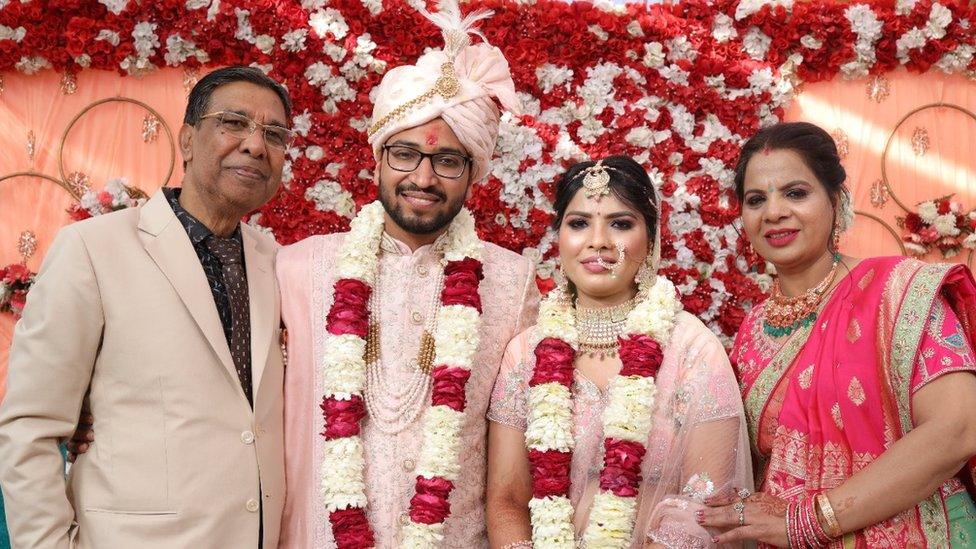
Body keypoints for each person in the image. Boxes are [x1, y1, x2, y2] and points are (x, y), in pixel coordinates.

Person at [274, 2, 539, 546]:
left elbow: (530, 434)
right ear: (376, 159)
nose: (423, 177)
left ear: (473, 174)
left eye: (447, 161)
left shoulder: (512, 284)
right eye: (404, 154)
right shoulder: (299, 267)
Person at [0, 66, 291, 548]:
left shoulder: (278, 263)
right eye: (233, 122)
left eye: (274, 134)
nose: (256, 145)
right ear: (188, 139)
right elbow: (30, 426)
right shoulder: (93, 249)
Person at [700, 121, 976, 547]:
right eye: (756, 199)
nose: (773, 212)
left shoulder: (897, 292)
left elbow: (958, 427)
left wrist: (811, 522)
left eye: (795, 193)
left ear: (836, 199)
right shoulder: (752, 329)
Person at [486, 156, 752, 548]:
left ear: (651, 239)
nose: (598, 241)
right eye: (579, 223)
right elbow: (507, 500)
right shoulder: (525, 353)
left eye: (621, 223)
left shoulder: (693, 351)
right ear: (558, 236)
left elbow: (706, 507)